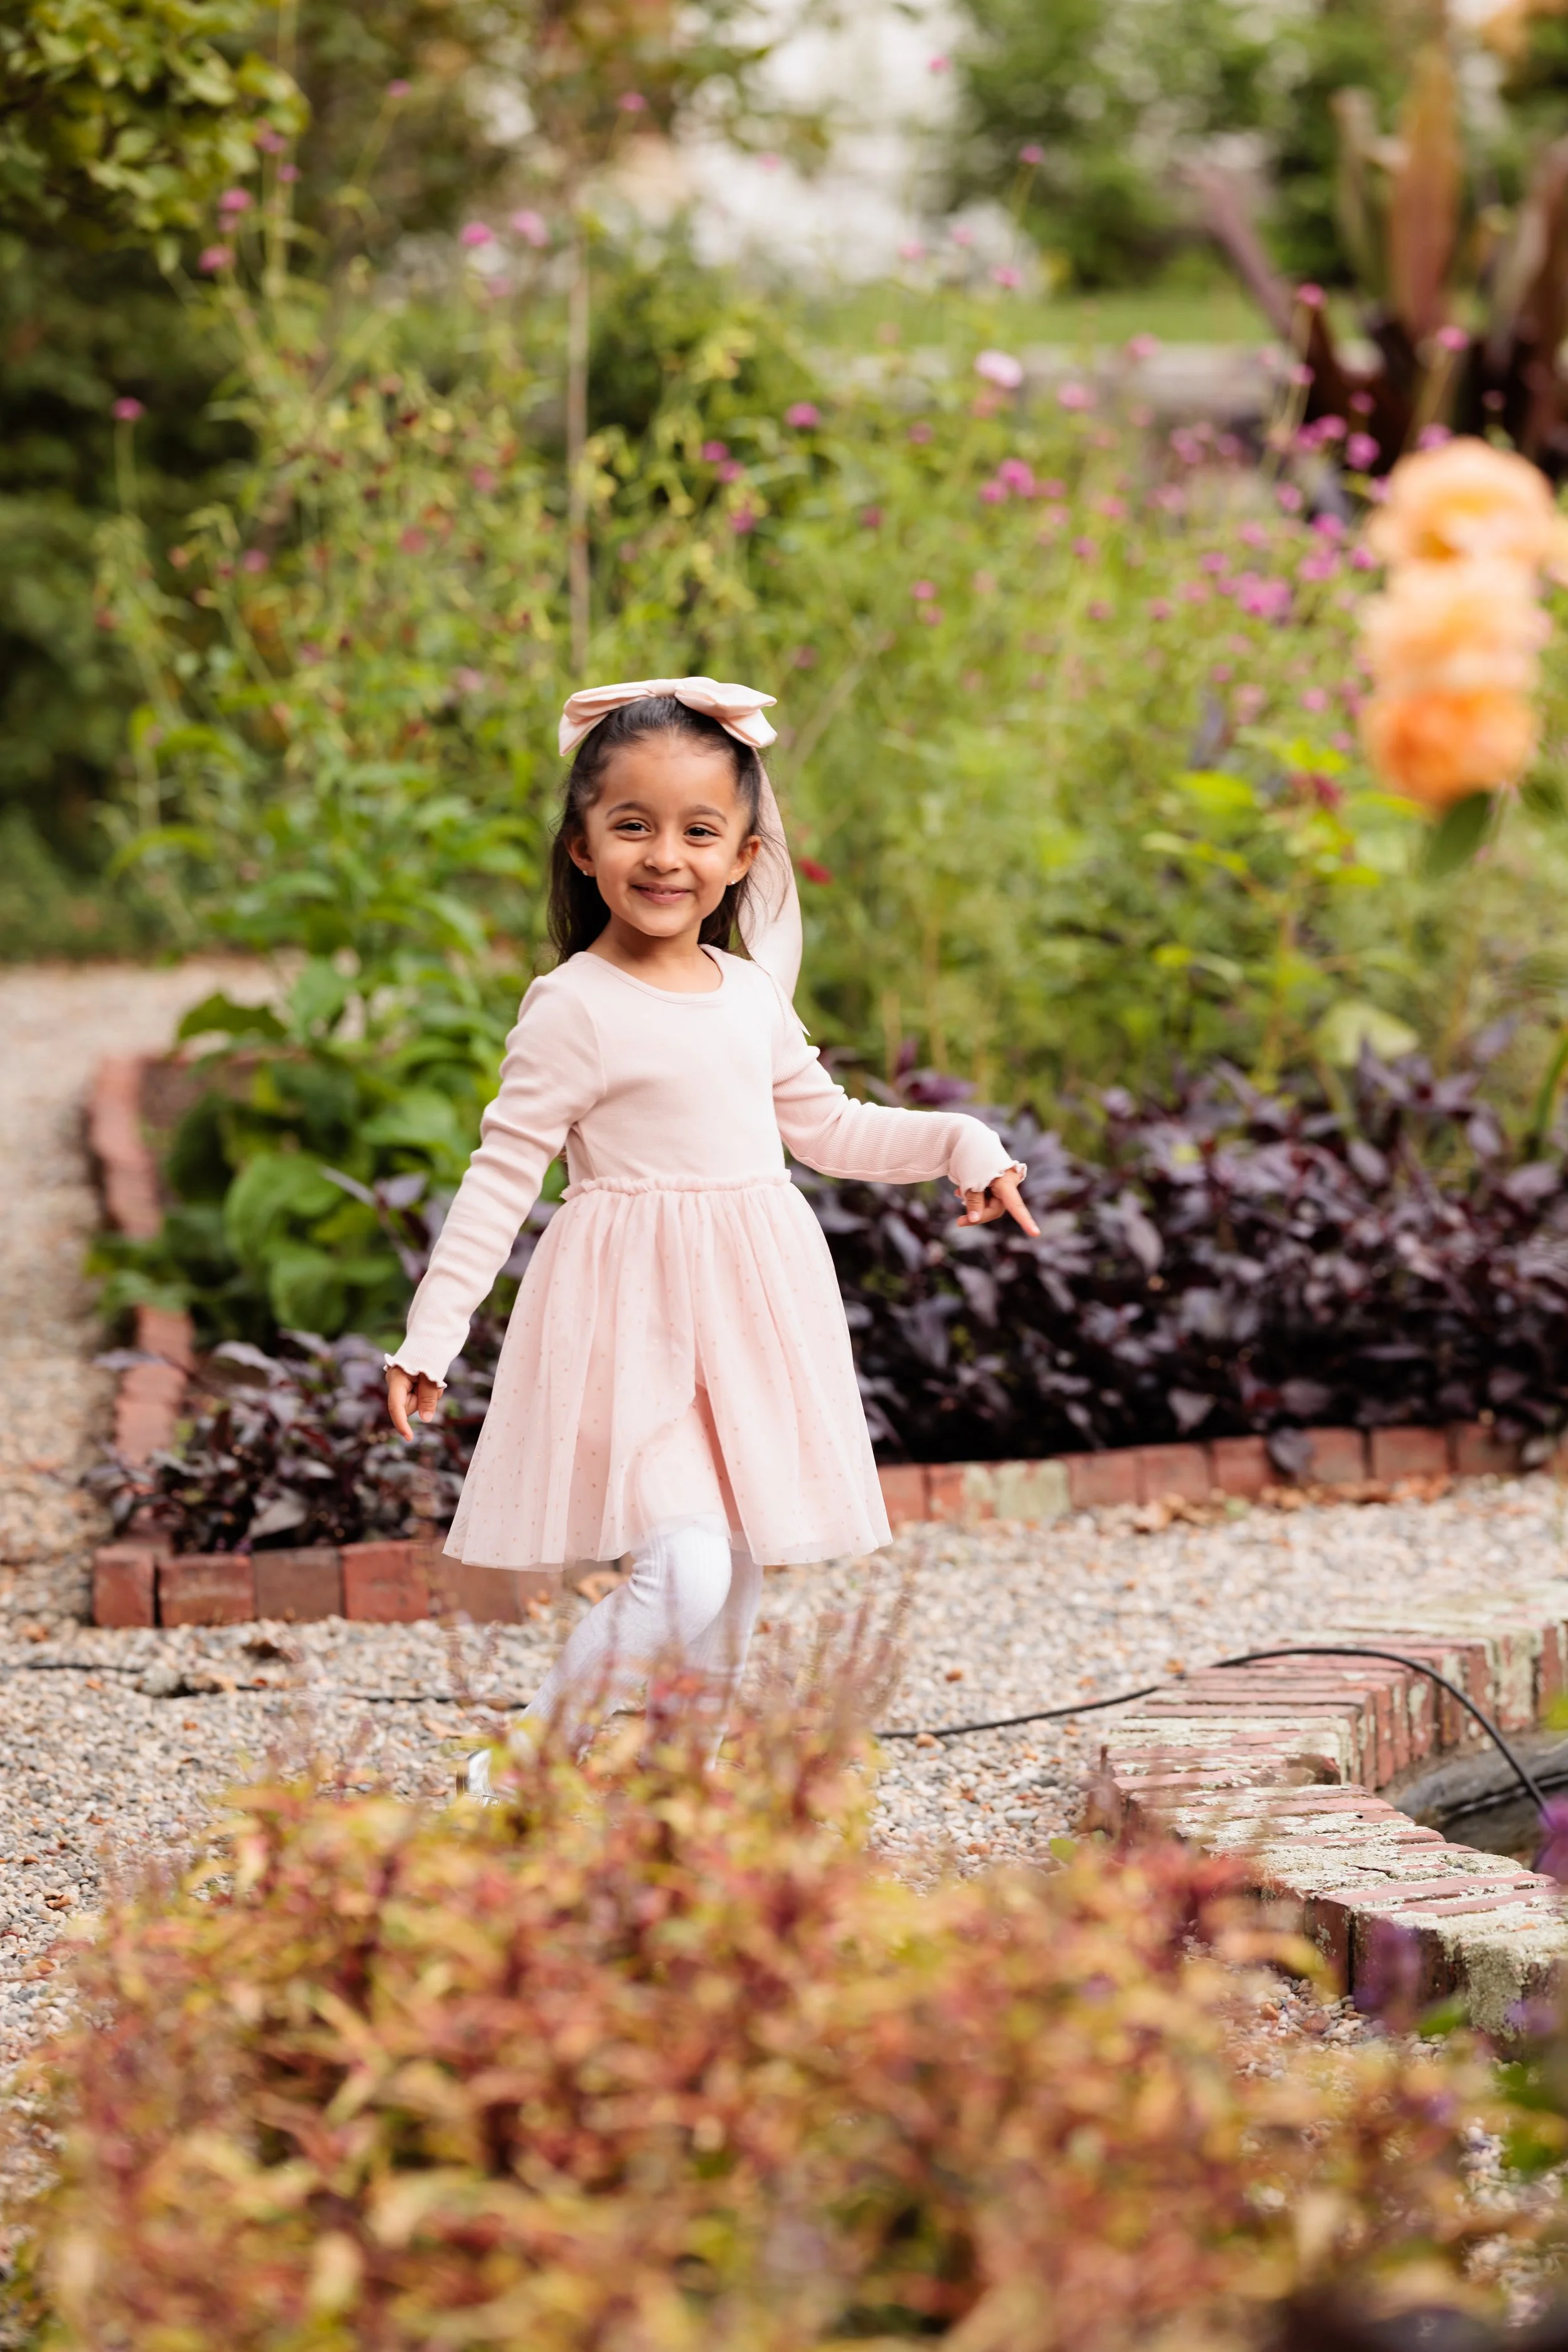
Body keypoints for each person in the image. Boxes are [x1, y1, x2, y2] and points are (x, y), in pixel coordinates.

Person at [384, 676, 1037, 1785]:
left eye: (699, 831)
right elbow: (501, 1176)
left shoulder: (747, 996)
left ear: (743, 856)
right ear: (582, 847)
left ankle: (686, 1784)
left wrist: (959, 1141)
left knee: (731, 1569)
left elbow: (827, 1128)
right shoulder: (573, 1005)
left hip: (746, 1320)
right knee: (680, 1569)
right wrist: (429, 1339)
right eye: (631, 826)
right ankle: (525, 1765)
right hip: (630, 1321)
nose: (664, 856)